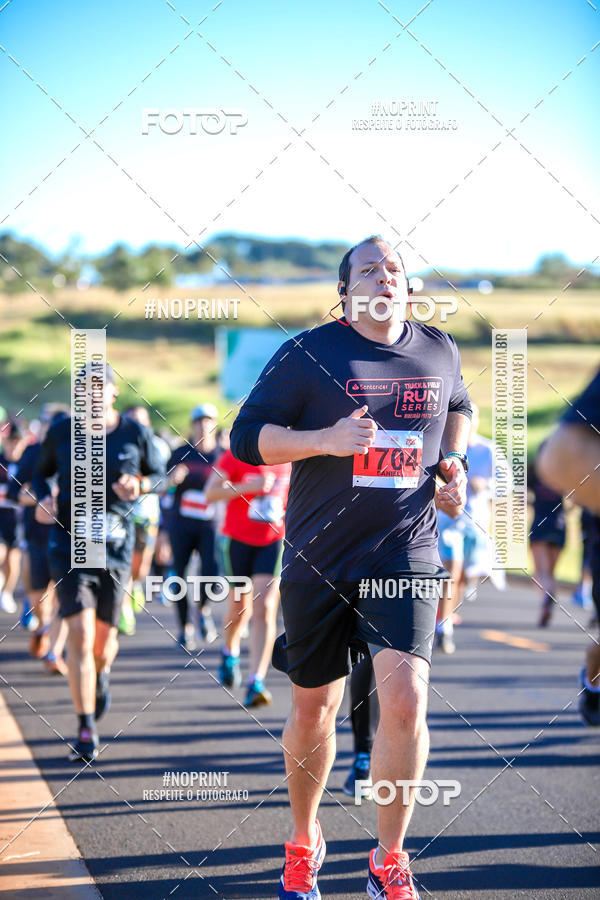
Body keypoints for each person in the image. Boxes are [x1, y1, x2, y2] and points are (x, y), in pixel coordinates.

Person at [229, 235, 471, 899]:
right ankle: (304, 841)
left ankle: (388, 858)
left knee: (407, 700)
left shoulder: (438, 349)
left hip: (407, 550)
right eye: (368, 268)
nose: (384, 275)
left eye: (394, 267)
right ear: (345, 292)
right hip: (319, 558)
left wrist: (454, 468)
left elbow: (459, 409)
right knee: (315, 711)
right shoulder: (308, 354)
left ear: (408, 284)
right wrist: (325, 441)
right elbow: (246, 438)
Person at [32, 363, 166, 762]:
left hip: (116, 548)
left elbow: (161, 473)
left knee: (103, 647)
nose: (89, 398)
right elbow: (37, 475)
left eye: (97, 390)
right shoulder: (62, 431)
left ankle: (101, 675)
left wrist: (139, 484)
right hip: (69, 544)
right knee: (80, 636)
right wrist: (42, 497)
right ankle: (86, 728)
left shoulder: (133, 433)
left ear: (112, 393)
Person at [536, 368, 600, 725]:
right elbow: (562, 460)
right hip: (563, 527)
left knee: (550, 570)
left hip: (561, 524)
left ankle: (552, 592)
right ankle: (592, 684)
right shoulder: (542, 464)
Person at [204, 453, 290, 707]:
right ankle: (230, 652)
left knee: (265, 607)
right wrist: (246, 488)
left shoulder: (292, 455)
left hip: (273, 540)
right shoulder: (236, 455)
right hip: (238, 540)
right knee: (240, 608)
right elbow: (210, 493)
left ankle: (256, 681)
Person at [436, 402, 506, 653]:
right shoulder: (444, 449)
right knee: (450, 569)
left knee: (463, 577)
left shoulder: (488, 450)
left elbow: (506, 484)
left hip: (475, 521)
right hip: (447, 519)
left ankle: (445, 619)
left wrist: (484, 486)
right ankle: (444, 628)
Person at [8, 405, 69, 673]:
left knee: (67, 598)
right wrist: (37, 500)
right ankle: (43, 627)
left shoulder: (81, 456)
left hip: (69, 539)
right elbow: (13, 492)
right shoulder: (34, 454)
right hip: (37, 536)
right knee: (39, 598)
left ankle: (54, 653)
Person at [166, 404, 221, 650]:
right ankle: (184, 628)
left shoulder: (221, 455)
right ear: (192, 425)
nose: (203, 425)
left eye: (208, 421)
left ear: (215, 425)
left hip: (210, 524)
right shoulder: (179, 453)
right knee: (180, 573)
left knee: (210, 570)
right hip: (181, 524)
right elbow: (163, 489)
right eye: (199, 421)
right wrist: (171, 480)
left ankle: (202, 610)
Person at [119, 405, 171, 635]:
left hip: (147, 514)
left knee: (140, 568)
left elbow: (163, 481)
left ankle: (136, 584)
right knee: (124, 563)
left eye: (141, 420)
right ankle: (124, 611)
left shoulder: (158, 447)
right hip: (121, 514)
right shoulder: (118, 443)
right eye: (131, 420)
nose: (136, 424)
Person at [528, 442, 566, 627]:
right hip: (560, 524)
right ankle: (549, 595)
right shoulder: (565, 473)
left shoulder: (535, 473)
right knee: (550, 571)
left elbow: (522, 496)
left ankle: (547, 597)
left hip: (540, 524)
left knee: (541, 571)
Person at [0, 421, 27, 614]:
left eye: (18, 441)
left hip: (18, 519)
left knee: (13, 560)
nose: (14, 445)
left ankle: (7, 592)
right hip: (1, 517)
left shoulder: (27, 462)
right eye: (11, 441)